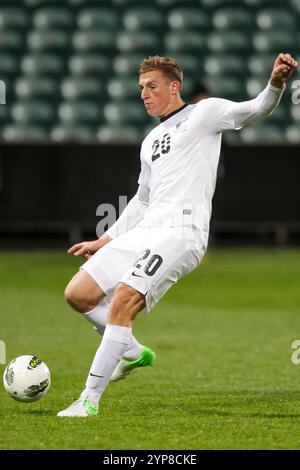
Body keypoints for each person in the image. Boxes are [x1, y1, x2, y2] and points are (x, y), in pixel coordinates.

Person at [58, 53, 297, 417]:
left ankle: (88, 399)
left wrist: (276, 82)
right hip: (147, 229)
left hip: (182, 232)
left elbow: (257, 108)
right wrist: (105, 239)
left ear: (174, 87)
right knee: (78, 294)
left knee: (122, 300)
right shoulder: (151, 140)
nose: (144, 94)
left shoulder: (204, 114)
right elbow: (141, 200)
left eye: (151, 86)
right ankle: (133, 351)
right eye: (141, 88)